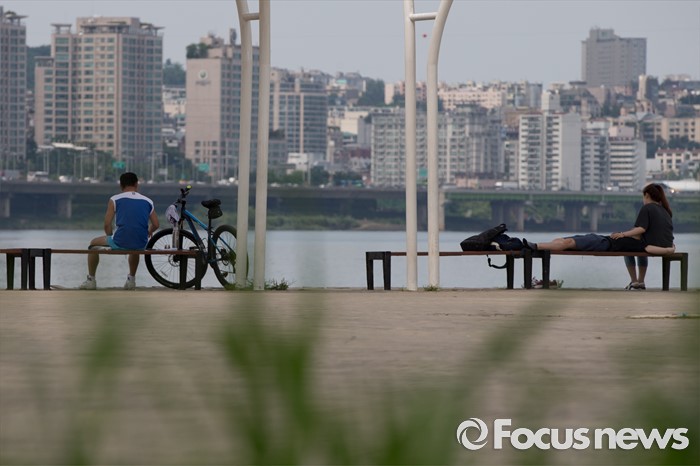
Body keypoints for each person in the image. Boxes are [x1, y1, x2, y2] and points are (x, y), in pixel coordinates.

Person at [522, 183, 675, 290]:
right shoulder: (665, 212)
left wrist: (622, 234)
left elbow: (641, 229)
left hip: (604, 242)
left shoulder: (648, 209)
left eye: (643, 197)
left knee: (567, 242)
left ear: (647, 195)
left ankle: (537, 245)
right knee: (564, 241)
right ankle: (638, 282)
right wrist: (669, 248)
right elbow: (649, 240)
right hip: (608, 241)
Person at [79, 172, 159, 290]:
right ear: (136, 184)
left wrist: (110, 238)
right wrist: (149, 231)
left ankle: (91, 280)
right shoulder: (148, 201)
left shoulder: (115, 199)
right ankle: (131, 281)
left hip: (120, 241)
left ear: (121, 185)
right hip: (141, 242)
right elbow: (156, 224)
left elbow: (107, 224)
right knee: (135, 249)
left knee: (93, 245)